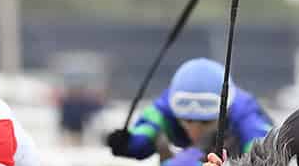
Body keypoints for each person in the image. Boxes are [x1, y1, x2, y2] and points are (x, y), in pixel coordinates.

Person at [104, 57, 271, 160]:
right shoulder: (165, 105)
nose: (195, 131)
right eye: (188, 121)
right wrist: (129, 143)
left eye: (205, 122)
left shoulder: (245, 111)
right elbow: (146, 130)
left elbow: (263, 149)